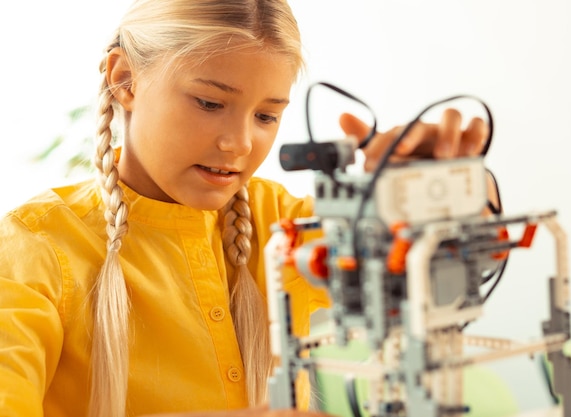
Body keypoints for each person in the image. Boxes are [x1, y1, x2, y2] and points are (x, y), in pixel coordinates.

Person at [0, 1, 492, 417]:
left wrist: (447, 186)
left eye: (266, 116)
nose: (238, 143)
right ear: (124, 78)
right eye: (210, 103)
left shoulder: (282, 222)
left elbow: (455, 259)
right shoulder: (35, 247)